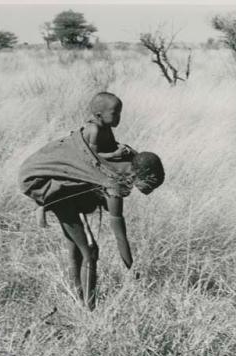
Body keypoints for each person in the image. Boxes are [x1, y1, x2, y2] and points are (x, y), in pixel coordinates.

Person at [18, 121, 164, 311]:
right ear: (141, 175)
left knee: (78, 246)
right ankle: (88, 309)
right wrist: (131, 268)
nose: (150, 191)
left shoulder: (128, 159)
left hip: (70, 192)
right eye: (150, 184)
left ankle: (79, 297)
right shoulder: (115, 185)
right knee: (89, 252)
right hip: (57, 193)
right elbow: (120, 235)